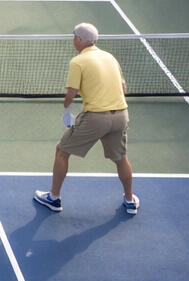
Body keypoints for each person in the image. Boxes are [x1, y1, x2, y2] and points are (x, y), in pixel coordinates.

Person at [34, 22, 139, 215]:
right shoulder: (110, 57)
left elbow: (71, 94)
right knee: (121, 158)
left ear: (80, 40)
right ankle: (130, 200)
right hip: (121, 115)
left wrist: (67, 110)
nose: (73, 40)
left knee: (61, 151)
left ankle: (54, 198)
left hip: (96, 118)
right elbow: (123, 89)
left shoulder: (77, 62)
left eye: (74, 37)